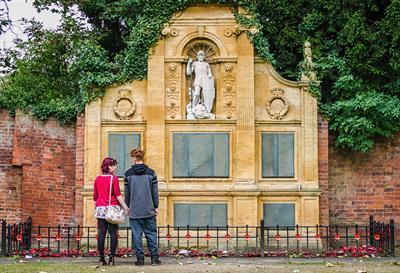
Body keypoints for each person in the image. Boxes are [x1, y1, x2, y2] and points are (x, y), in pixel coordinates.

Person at [124, 148, 161, 266]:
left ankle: (140, 260)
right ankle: (154, 259)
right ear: (142, 157)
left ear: (134, 158)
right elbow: (155, 191)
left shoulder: (128, 174)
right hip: (148, 208)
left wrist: (127, 206)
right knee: (151, 233)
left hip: (134, 210)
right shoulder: (151, 172)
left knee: (136, 235)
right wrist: (155, 206)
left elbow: (127, 193)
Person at [93, 157, 129, 266]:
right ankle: (112, 257)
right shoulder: (113, 179)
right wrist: (125, 207)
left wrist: (96, 209)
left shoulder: (97, 178)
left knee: (101, 233)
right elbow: (117, 195)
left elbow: (95, 196)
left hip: (100, 209)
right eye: (114, 165)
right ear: (109, 166)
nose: (116, 167)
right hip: (111, 209)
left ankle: (101, 258)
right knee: (113, 233)